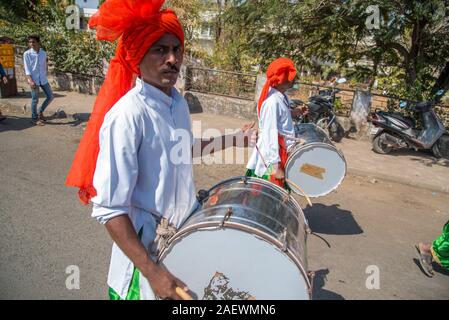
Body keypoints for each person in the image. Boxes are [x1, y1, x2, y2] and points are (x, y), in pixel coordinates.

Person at [66, 0, 255, 300]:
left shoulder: (177, 103)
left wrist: (233, 139)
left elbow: (184, 150)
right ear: (138, 55)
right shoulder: (127, 116)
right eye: (159, 49)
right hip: (145, 267)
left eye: (176, 49)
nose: (172, 59)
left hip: (181, 246)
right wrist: (153, 272)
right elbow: (110, 209)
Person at [246, 58, 305, 188]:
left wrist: (294, 113)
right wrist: (275, 166)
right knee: (266, 198)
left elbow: (281, 119)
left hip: (282, 152)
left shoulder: (282, 96)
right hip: (272, 158)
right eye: (291, 77)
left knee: (278, 198)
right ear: (282, 80)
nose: (294, 79)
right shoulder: (272, 102)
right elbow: (269, 133)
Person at [23, 35, 54, 126]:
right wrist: (30, 81)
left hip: (43, 79)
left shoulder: (43, 53)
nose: (31, 44)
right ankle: (34, 118)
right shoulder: (27, 54)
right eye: (30, 42)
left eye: (33, 42)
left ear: (38, 43)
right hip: (33, 80)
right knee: (35, 100)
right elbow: (27, 69)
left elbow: (45, 65)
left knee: (50, 96)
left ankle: (40, 111)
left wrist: (46, 74)